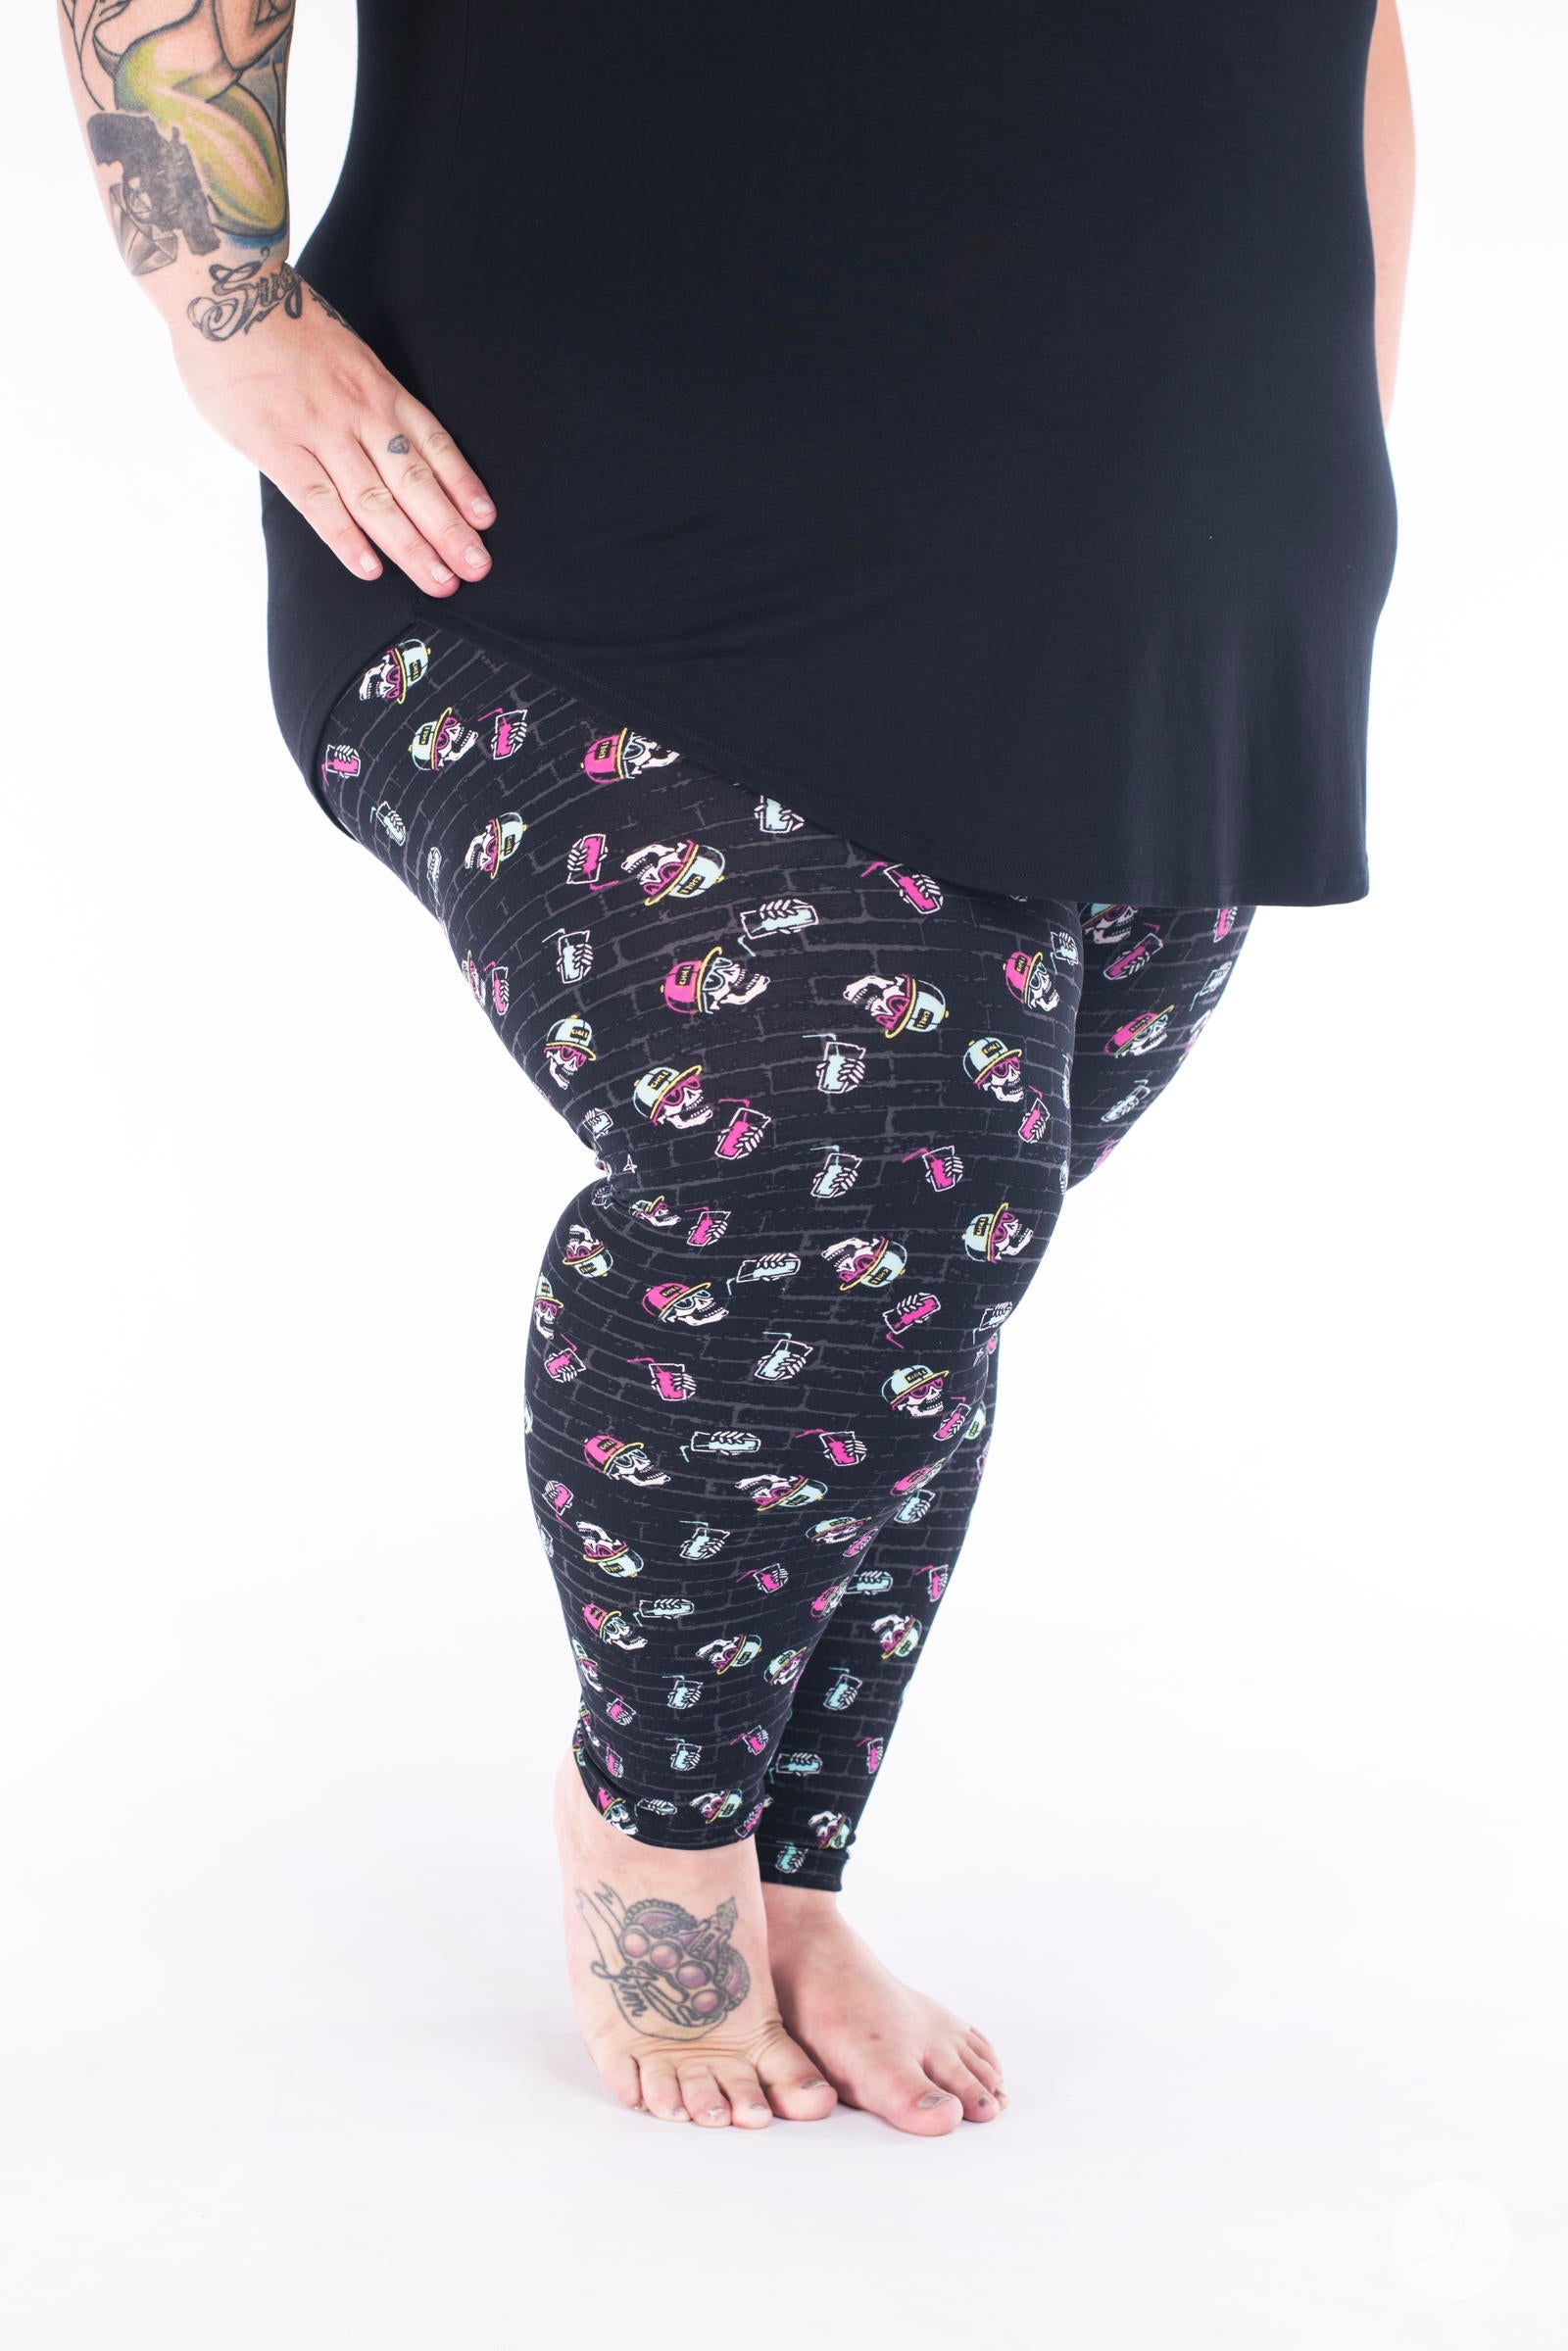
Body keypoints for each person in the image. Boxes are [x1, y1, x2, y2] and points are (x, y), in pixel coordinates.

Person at [57, 0, 1414, 2136]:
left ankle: (790, 1870)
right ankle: (661, 1841)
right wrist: (218, 306)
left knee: (936, 1236)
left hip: (1163, 535)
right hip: (559, 503)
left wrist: (1328, 434)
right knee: (853, 1165)